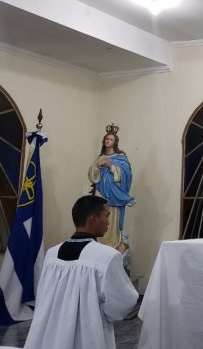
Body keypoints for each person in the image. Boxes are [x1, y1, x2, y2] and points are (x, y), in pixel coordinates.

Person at [24, 195, 138, 349]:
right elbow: (123, 300)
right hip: (88, 331)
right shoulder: (107, 256)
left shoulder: (52, 254)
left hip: (52, 330)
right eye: (106, 216)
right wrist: (97, 310)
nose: (108, 222)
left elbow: (44, 295)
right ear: (93, 218)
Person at [88, 126, 135, 268]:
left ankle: (114, 245)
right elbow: (92, 176)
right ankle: (100, 245)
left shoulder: (121, 158)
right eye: (107, 139)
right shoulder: (99, 157)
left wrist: (110, 166)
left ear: (115, 142)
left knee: (112, 221)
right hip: (101, 194)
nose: (108, 141)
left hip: (115, 196)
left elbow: (127, 175)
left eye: (111, 139)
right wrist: (97, 166)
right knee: (100, 218)